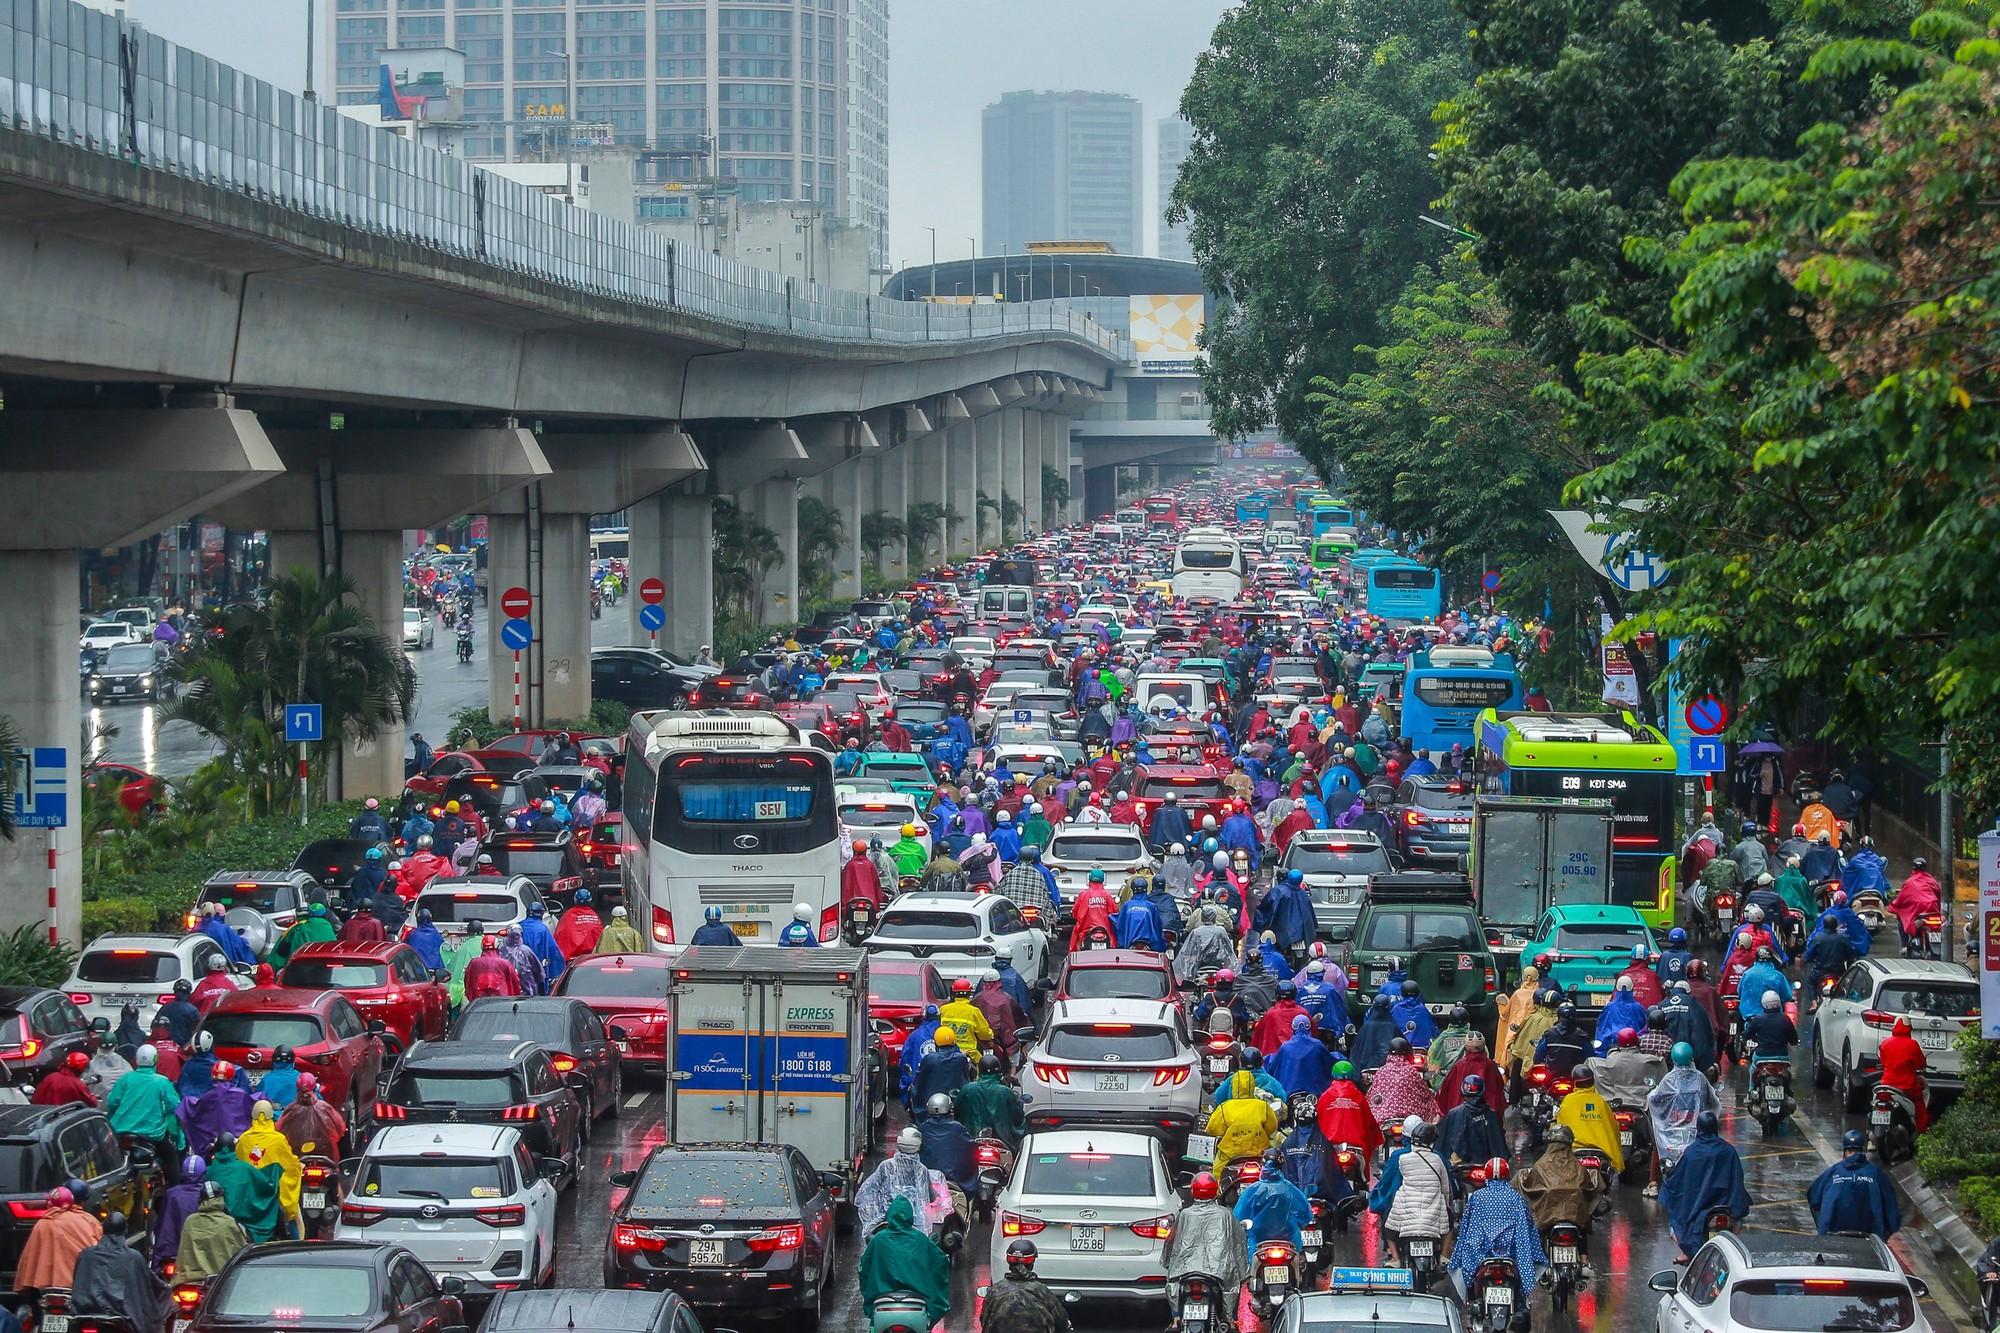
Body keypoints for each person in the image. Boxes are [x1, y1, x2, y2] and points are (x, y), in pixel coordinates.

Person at [1449, 1159, 1544, 1309]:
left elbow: (1466, 1228)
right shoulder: (1516, 1198)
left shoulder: (1477, 1197)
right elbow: (1527, 1229)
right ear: (1507, 1175)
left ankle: (1471, 1300)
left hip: (1480, 1256)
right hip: (1511, 1257)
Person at [1662, 1110, 1751, 1257]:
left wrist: (1669, 1181)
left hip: (1697, 1212)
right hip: (1726, 1208)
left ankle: (1688, 1253)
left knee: (1675, 1225)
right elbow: (1737, 1181)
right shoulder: (1729, 1151)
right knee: (1738, 1223)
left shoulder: (1691, 1153)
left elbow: (1679, 1181)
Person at [1163, 1172, 1250, 1317]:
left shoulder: (1185, 1214)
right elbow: (1238, 1244)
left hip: (1185, 1271)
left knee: (1175, 1289)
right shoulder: (1225, 1214)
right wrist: (1243, 1271)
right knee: (1231, 1294)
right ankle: (1228, 1319)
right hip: (1219, 1272)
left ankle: (1177, 1318)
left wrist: (1168, 1262)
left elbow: (1171, 1243)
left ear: (1193, 1190)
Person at [858, 1196, 950, 1330]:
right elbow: (940, 1264)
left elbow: (864, 1270)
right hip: (916, 1307)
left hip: (882, 1306)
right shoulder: (920, 1239)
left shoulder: (878, 1240)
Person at [1517, 1125, 1601, 1270]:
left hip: (1547, 1219)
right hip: (1574, 1218)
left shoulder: (1541, 1166)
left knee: (1538, 1229)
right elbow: (1589, 1188)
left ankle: (1537, 1261)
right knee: (1582, 1226)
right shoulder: (1578, 1167)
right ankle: (1584, 1258)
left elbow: (1529, 1187)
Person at [69, 1209, 166, 1333]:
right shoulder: (133, 1257)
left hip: (84, 1315)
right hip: (121, 1318)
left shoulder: (86, 1254)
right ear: (124, 1231)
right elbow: (148, 1282)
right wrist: (165, 1290)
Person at [104, 1044, 186, 1182]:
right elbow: (175, 1105)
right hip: (151, 1135)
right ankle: (175, 1191)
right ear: (155, 1059)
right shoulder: (161, 1081)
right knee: (171, 1157)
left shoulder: (126, 1078)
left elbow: (112, 1102)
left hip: (120, 1132)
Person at [1808, 1129, 1902, 1238]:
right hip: (1871, 1239)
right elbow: (1892, 1210)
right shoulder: (1876, 1174)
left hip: (1832, 1238)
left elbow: (1813, 1198)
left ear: (1845, 1151)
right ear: (1863, 1150)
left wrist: (1823, 1227)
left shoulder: (1833, 1173)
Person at [14, 1184, 101, 1293]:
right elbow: (100, 1250)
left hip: (46, 1288)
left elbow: (28, 1261)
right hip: (82, 1284)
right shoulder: (88, 1220)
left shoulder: (42, 1224)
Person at [207, 1131, 287, 1243]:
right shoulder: (245, 1168)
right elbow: (267, 1184)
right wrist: (275, 1170)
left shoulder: (209, 1171)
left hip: (213, 1224)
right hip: (243, 1224)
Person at [236, 1100, 302, 1235]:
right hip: (274, 1198)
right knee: (293, 1217)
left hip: (251, 1198)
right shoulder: (278, 1140)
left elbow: (239, 1166)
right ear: (271, 1117)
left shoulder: (243, 1140)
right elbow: (291, 1166)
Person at [1235, 1147, 1313, 1257]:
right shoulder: (1290, 1189)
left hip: (1258, 1245)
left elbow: (1239, 1217)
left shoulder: (1252, 1191)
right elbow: (1306, 1215)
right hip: (1289, 1243)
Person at [981, 1240, 1072, 1333]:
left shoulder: (995, 1291)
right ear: (1032, 1262)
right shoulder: (1043, 1292)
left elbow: (984, 1320)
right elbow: (1062, 1323)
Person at [1553, 1066, 1625, 1175]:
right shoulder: (1601, 1102)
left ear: (1575, 1083)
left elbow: (1560, 1124)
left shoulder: (1568, 1101)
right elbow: (1614, 1128)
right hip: (1603, 1151)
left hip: (1575, 1150)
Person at [175, 1181, 251, 1282]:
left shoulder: (190, 1221)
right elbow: (242, 1251)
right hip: (222, 1280)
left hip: (191, 1281)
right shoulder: (229, 1222)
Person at [1206, 1069, 1280, 1171]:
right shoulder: (1263, 1106)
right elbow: (1272, 1127)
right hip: (1259, 1152)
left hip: (1230, 1154)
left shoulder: (1225, 1107)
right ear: (1252, 1085)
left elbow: (1212, 1129)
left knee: (1217, 1172)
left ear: (1234, 1086)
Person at [1366, 1037, 1441, 1127]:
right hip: (1409, 1118)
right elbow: (1424, 1094)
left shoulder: (1382, 1071)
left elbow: (1372, 1095)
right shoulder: (1410, 1071)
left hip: (1383, 1119)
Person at [955, 1054, 1025, 1150]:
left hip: (970, 1141)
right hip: (1002, 1142)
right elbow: (1018, 1118)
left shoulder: (967, 1089)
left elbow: (957, 1113)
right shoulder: (1005, 1092)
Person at [1315, 1061, 1383, 1160]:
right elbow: (1370, 1123)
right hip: (1355, 1146)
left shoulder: (1325, 1096)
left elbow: (1318, 1121)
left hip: (1330, 1146)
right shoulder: (1359, 1096)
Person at [1436, 1074, 1507, 1167]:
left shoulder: (1454, 1114)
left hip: (1463, 1166)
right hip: (1486, 1166)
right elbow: (1500, 1147)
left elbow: (1442, 1145)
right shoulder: (1491, 1114)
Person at [152, 1155, 206, 1275]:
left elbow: (162, 1227)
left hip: (173, 1253)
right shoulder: (208, 1195)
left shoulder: (172, 1195)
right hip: (201, 1257)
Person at [1877, 1016, 1931, 1130]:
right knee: (1919, 1106)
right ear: (1909, 1028)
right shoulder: (1913, 1045)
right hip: (1908, 1087)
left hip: (1886, 1084)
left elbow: (1883, 1060)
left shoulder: (1885, 1043)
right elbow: (1920, 1063)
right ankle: (1921, 1132)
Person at [917, 1093, 976, 1194]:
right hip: (956, 1180)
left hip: (928, 1179)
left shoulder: (923, 1128)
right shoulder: (958, 1128)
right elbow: (970, 1148)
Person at [1266, 1013, 1333, 1099]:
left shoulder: (1286, 1047)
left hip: (1290, 1094)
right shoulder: (1317, 1045)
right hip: (1315, 1094)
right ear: (1309, 1028)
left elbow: (1274, 1065)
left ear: (1293, 1029)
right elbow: (1329, 1063)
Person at [911, 1025, 973, 1109]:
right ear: (954, 1042)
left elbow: (918, 1082)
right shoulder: (961, 1059)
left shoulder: (929, 1059)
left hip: (930, 1106)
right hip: (956, 1103)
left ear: (935, 1043)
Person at [1891, 858, 1944, 955]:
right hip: (1932, 910)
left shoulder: (1909, 882)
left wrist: (1894, 905)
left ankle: (1905, 946)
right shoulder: (1932, 880)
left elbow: (1901, 899)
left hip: (1917, 912)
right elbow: (1938, 894)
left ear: (1913, 867)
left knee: (1900, 917)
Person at [269, 902, 336, 968]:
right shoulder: (329, 927)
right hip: (327, 966)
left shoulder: (297, 928)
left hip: (301, 967)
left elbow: (281, 951)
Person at [519, 901, 566, 984]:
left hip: (520, 970)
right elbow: (553, 950)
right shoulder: (542, 929)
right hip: (538, 969)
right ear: (541, 914)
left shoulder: (519, 927)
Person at [31, 1050, 96, 1107]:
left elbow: (36, 1098)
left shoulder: (50, 1077)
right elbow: (92, 1103)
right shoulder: (78, 1085)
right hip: (65, 1118)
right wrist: (94, 1097)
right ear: (81, 1069)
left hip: (43, 1115)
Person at [154, 980, 201, 1047]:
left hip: (166, 1045)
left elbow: (156, 1025)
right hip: (185, 1046)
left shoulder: (165, 1008)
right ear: (188, 993)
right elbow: (198, 1029)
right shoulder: (192, 1010)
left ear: (175, 992)